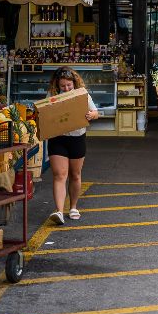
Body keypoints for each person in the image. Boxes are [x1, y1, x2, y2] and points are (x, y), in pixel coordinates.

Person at [45, 67, 98, 225]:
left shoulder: (82, 94)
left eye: (69, 85)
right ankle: (59, 211)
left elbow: (96, 112)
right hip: (58, 138)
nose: (66, 88)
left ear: (74, 83)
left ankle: (73, 207)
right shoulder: (52, 96)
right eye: (63, 86)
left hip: (77, 138)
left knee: (75, 175)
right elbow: (45, 113)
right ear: (57, 85)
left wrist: (91, 115)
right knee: (59, 175)